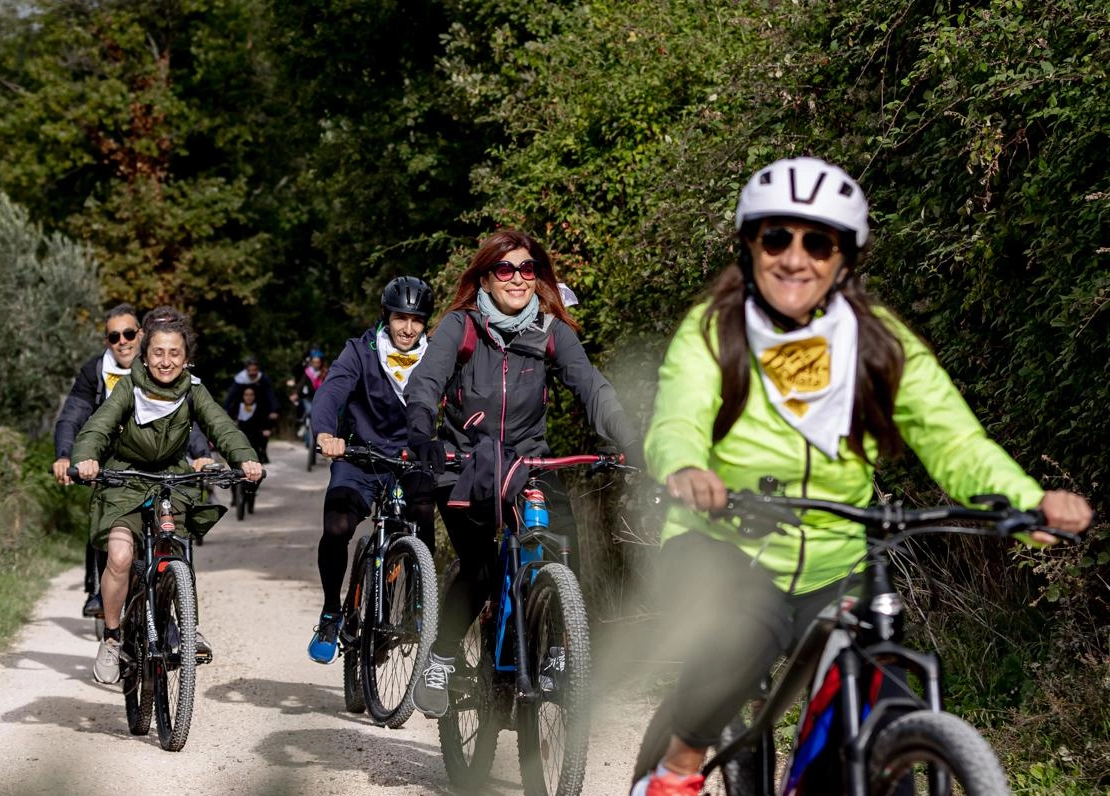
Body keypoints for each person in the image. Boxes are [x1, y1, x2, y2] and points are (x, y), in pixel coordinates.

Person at [629, 157, 1093, 796]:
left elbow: (952, 438)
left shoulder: (876, 341)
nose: (796, 258)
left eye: (817, 242)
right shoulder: (715, 331)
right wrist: (686, 468)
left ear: (844, 258)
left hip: (836, 553)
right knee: (740, 632)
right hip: (724, 538)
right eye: (776, 238)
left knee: (881, 699)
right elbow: (679, 414)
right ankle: (679, 764)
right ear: (749, 245)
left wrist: (1028, 502)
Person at [402, 230, 642, 718]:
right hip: (465, 462)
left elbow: (592, 388)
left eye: (527, 269)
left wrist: (632, 440)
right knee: (481, 567)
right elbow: (426, 382)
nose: (517, 278)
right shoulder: (459, 327)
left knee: (563, 544)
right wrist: (422, 433)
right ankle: (443, 657)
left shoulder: (552, 333)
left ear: (538, 277)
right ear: (486, 279)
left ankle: (556, 649)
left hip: (530, 459)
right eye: (505, 270)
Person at [71, 311, 264, 685]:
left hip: (171, 478)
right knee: (121, 555)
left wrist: (246, 458)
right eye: (158, 352)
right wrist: (85, 459)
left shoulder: (193, 389)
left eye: (174, 353)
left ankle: (187, 627)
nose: (165, 361)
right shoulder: (129, 387)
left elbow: (221, 426)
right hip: (125, 477)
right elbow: (99, 425)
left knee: (175, 545)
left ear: (185, 356)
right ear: (145, 355)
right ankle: (112, 639)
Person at [306, 276, 438, 664]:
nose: (408, 329)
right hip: (359, 455)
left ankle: (418, 604)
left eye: (417, 320)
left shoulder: (435, 356)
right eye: (400, 318)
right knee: (338, 527)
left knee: (422, 514)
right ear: (386, 316)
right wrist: (326, 432)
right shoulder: (360, 351)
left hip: (410, 460)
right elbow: (331, 391)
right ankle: (331, 612)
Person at [52, 303, 140, 619]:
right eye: (114, 336)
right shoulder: (95, 372)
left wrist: (200, 455)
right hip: (107, 462)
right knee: (103, 513)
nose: (122, 341)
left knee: (175, 532)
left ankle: (182, 617)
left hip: (152, 460)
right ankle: (98, 590)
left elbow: (189, 415)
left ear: (141, 334)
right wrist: (64, 455)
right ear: (107, 341)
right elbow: (72, 416)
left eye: (128, 333)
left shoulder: (160, 365)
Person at [224, 356, 280, 462]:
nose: (252, 373)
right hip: (242, 408)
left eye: (255, 370)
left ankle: (262, 450)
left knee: (265, 428)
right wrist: (225, 410)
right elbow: (231, 396)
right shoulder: (240, 379)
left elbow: (270, 395)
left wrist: (274, 409)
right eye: (250, 370)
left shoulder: (263, 379)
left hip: (259, 408)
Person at [229, 385, 273, 462]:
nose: (249, 397)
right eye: (246, 395)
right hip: (242, 432)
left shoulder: (260, 407)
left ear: (254, 396)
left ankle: (261, 454)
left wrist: (267, 429)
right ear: (243, 396)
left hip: (256, 434)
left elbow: (266, 420)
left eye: (251, 395)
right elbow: (229, 418)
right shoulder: (237, 406)